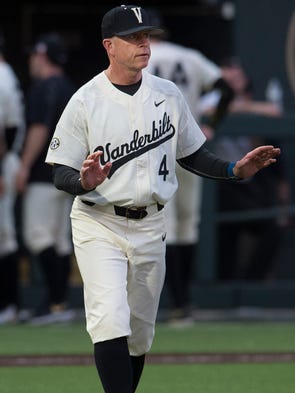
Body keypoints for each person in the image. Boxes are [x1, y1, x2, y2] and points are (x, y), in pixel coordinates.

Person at [45, 5, 280, 393]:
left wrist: (233, 170)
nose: (144, 43)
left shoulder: (167, 94)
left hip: (152, 225)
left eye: (146, 36)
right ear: (109, 46)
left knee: (138, 336)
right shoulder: (86, 99)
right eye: (133, 37)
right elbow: (60, 171)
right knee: (110, 321)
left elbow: (192, 153)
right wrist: (83, 181)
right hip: (98, 221)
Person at [145, 7, 234, 323]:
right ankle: (184, 305)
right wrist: (211, 124)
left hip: (153, 150)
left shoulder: (142, 58)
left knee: (160, 227)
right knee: (187, 224)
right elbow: (227, 88)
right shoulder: (190, 56)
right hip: (190, 146)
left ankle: (167, 303)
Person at [201, 58, 291, 280]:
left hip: (247, 181)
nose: (234, 78)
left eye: (237, 75)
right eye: (228, 75)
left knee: (272, 225)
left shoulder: (250, 100)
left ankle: (252, 283)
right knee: (224, 236)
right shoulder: (212, 98)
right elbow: (206, 110)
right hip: (217, 180)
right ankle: (223, 288)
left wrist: (244, 106)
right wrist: (240, 107)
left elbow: (274, 111)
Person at [15, 32, 76, 324]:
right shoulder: (71, 88)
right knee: (60, 240)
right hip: (67, 173)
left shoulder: (43, 88)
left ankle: (54, 303)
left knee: (38, 236)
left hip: (43, 173)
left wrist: (24, 166)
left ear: (41, 56)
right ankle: (59, 303)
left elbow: (39, 130)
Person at [0, 29, 25, 324]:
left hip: (4, 161)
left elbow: (5, 131)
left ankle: (10, 304)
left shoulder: (2, 75)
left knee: (4, 236)